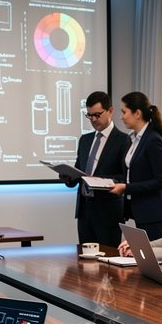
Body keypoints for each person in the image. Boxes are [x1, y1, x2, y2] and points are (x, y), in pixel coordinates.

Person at [63, 91, 131, 247]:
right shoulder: (85, 140)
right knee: (85, 262)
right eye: (89, 115)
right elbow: (78, 172)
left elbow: (125, 177)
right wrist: (68, 178)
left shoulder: (123, 140)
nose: (93, 120)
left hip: (108, 212)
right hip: (85, 211)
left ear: (110, 111)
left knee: (108, 262)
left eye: (97, 115)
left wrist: (100, 181)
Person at [109, 91, 162, 239]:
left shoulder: (152, 140)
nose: (121, 116)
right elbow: (133, 174)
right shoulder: (134, 139)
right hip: (138, 210)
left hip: (152, 213)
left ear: (137, 113)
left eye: (124, 112)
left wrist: (126, 188)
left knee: (154, 259)